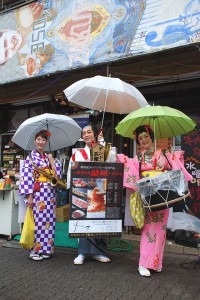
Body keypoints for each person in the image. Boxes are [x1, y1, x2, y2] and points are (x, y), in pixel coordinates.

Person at [118, 125, 192, 276]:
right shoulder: (138, 158)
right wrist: (121, 158)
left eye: (146, 136)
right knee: (148, 230)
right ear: (138, 142)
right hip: (148, 196)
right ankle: (143, 263)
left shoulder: (163, 153)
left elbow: (174, 169)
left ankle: (156, 262)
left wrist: (176, 156)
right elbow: (131, 169)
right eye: (140, 138)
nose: (143, 140)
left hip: (163, 195)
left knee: (161, 231)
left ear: (151, 137)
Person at [67, 124, 116, 265]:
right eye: (84, 133)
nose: (86, 135)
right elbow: (71, 172)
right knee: (82, 221)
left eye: (89, 132)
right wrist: (71, 190)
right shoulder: (77, 154)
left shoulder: (100, 149)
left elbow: (112, 161)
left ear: (94, 134)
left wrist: (102, 144)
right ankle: (82, 252)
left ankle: (98, 252)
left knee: (98, 219)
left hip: (98, 190)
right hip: (82, 190)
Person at [19, 129, 62, 261]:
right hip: (38, 194)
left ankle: (46, 249)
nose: (41, 142)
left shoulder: (48, 158)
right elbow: (26, 177)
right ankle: (34, 251)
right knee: (37, 223)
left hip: (50, 195)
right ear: (34, 141)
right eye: (38, 139)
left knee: (49, 223)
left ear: (46, 142)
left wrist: (52, 160)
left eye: (43, 140)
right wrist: (29, 196)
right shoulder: (31, 158)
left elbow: (58, 176)